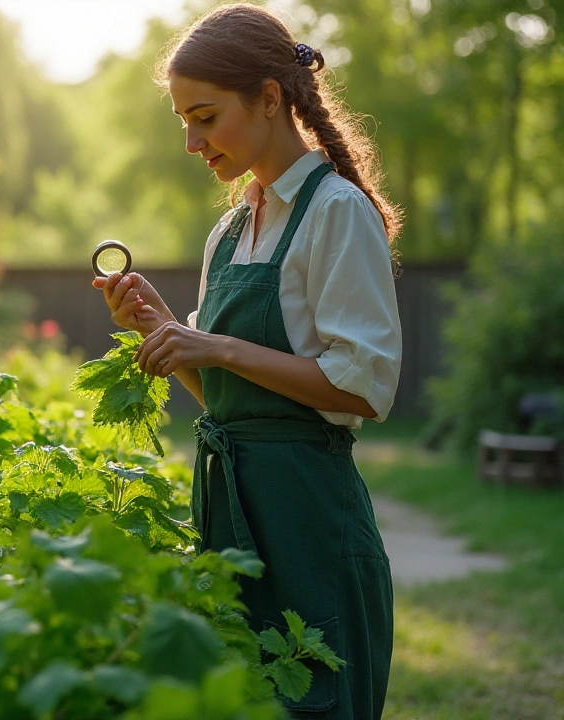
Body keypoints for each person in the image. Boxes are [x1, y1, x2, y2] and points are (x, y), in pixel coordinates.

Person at [92, 5, 402, 719]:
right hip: (231, 514)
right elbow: (228, 396)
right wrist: (164, 328)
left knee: (312, 701)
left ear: (270, 97)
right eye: (184, 124)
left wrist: (217, 344)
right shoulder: (231, 227)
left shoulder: (336, 212)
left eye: (206, 117)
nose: (193, 143)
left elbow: (364, 386)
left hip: (307, 519)